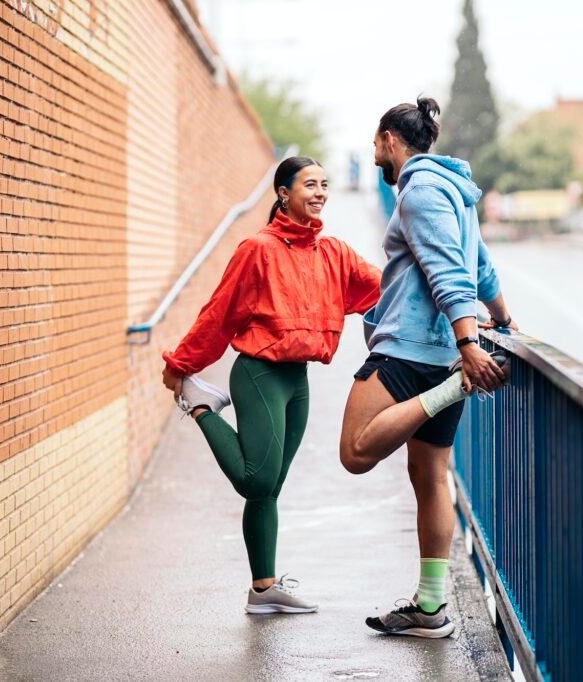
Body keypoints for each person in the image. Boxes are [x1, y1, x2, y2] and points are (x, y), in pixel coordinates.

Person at [161, 156, 381, 615]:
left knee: (270, 488)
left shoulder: (333, 253)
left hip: (298, 382)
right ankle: (199, 404)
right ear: (283, 193)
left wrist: (455, 310)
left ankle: (263, 588)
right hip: (259, 373)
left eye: (325, 184)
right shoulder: (257, 249)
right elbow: (219, 312)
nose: (320, 193)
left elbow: (387, 289)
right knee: (256, 480)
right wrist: (182, 366)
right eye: (309, 185)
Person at [338, 97, 517, 638]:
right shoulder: (456, 193)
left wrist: (468, 344)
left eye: (375, 146)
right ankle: (431, 607)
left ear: (391, 140)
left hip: (412, 351)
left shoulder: (418, 192)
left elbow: (447, 271)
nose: (375, 157)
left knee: (355, 451)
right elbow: (478, 263)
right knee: (429, 476)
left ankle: (450, 390)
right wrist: (503, 320)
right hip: (439, 353)